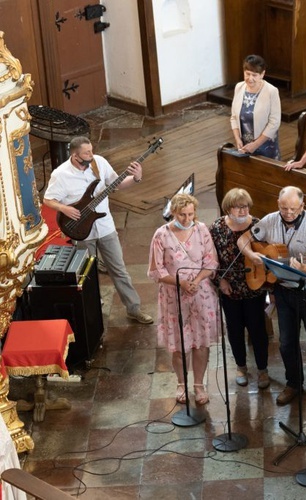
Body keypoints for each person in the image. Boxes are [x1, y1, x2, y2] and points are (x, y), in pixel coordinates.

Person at [43, 136, 153, 325]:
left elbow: (116, 184)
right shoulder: (60, 174)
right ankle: (93, 309)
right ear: (75, 156)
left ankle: (134, 309)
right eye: (87, 153)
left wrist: (136, 178)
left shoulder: (99, 162)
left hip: (105, 227)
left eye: (91, 150)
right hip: (80, 231)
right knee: (87, 274)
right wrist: (64, 208)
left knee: (119, 270)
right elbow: (48, 199)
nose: (91, 155)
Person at [250, 186, 306, 406]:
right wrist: (254, 255)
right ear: (278, 204)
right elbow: (248, 239)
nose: (288, 213)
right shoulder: (269, 220)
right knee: (286, 342)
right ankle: (293, 383)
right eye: (284, 208)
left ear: (302, 206)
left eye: (293, 209)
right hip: (282, 289)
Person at [147, 193, 220, 405]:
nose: (187, 219)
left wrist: (196, 280)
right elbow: (155, 270)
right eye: (182, 214)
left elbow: (211, 260)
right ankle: (181, 383)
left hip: (201, 293)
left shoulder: (202, 229)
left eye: (190, 214)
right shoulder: (161, 235)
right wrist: (180, 283)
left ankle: (199, 385)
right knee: (179, 345)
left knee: (201, 343)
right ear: (173, 213)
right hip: (174, 295)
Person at [209, 188, 270, 389]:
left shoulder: (257, 225)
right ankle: (241, 366)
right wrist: (220, 280)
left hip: (254, 286)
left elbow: (268, 252)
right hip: (229, 288)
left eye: (245, 206)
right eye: (238, 207)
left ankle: (263, 370)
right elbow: (210, 258)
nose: (243, 211)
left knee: (257, 329)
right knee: (234, 329)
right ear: (228, 208)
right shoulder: (217, 227)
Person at [230, 54, 281, 159]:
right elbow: (234, 117)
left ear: (262, 74)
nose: (250, 78)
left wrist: (256, 144)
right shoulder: (239, 87)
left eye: (254, 75)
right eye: (247, 74)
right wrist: (237, 139)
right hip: (244, 147)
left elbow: (274, 123)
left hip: (266, 146)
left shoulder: (272, 91)